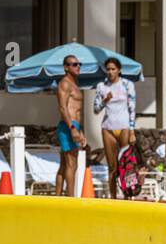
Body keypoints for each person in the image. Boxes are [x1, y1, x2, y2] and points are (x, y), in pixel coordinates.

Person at [93, 57, 137, 198]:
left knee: (126, 164)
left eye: (113, 69)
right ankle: (113, 197)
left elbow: (132, 108)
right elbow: (96, 109)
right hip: (108, 128)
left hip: (124, 127)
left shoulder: (127, 84)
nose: (110, 72)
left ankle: (128, 195)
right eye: (108, 69)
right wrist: (105, 101)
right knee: (112, 167)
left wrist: (132, 130)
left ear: (119, 70)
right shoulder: (102, 86)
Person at [55, 54, 86, 196]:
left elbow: (76, 110)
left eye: (79, 64)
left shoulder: (74, 84)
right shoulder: (65, 83)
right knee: (72, 164)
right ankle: (71, 199)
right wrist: (73, 128)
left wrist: (81, 131)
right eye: (74, 64)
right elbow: (62, 108)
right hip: (69, 126)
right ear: (66, 67)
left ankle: (58, 197)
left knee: (64, 165)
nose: (78, 66)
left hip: (73, 126)